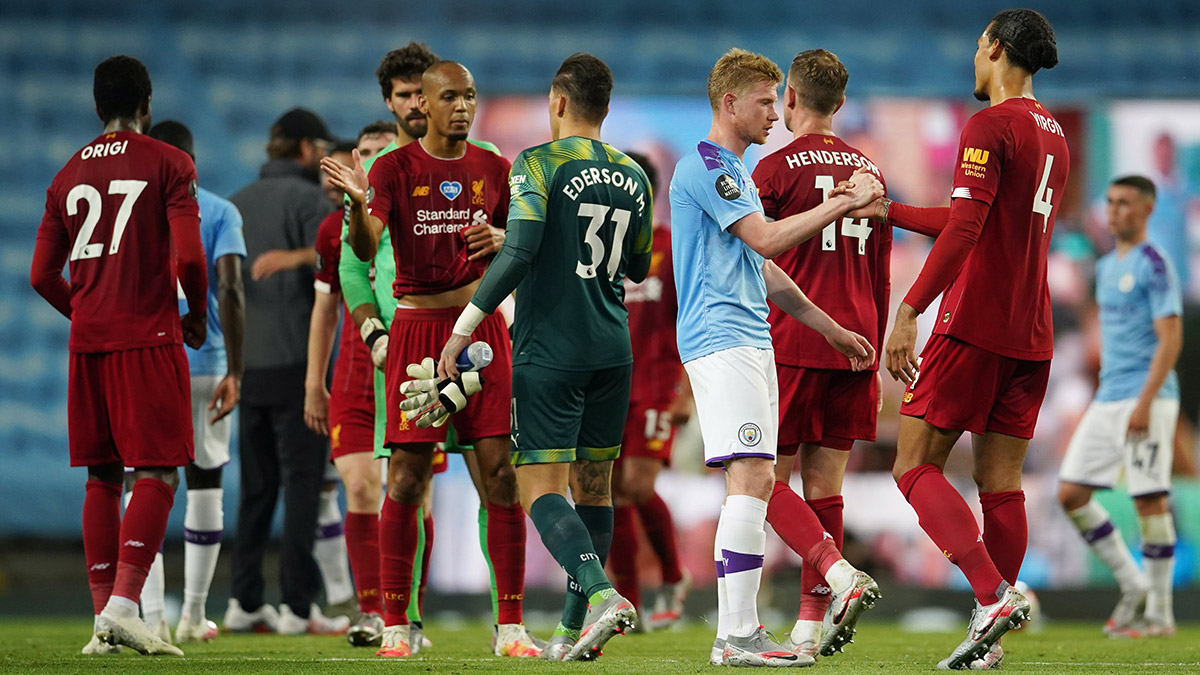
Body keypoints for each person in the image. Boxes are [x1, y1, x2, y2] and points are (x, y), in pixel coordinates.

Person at [668, 47, 882, 668]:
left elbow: (762, 267)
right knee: (753, 479)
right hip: (720, 337)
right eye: (764, 100)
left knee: (756, 483)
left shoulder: (733, 170)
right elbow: (767, 238)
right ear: (729, 101)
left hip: (752, 335)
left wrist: (831, 328)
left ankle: (739, 632)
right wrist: (844, 201)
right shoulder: (707, 164)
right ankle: (745, 628)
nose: (773, 112)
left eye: (775, 99)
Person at [434, 52, 650, 663]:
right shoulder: (633, 173)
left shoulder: (536, 163)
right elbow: (635, 266)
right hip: (613, 347)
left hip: (552, 348)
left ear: (557, 102)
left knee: (538, 488)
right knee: (595, 487)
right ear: (604, 108)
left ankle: (604, 594)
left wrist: (463, 327)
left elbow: (522, 250)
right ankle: (572, 629)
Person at [874, 8, 1065, 669]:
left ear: (997, 50)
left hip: (974, 323)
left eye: (979, 44)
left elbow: (964, 232)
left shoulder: (989, 124)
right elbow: (976, 217)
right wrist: (889, 209)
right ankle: (992, 640)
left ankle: (991, 593)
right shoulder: (1054, 135)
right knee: (1000, 480)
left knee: (912, 464)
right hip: (1031, 332)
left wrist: (910, 309)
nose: (973, 55)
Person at [324, 60, 532, 659]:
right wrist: (357, 206)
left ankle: (511, 629)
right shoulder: (391, 168)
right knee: (408, 478)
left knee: (500, 474)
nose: (462, 106)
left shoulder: (495, 166)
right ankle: (396, 625)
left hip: (481, 330)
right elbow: (363, 252)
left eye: (470, 96)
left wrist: (503, 241)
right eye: (451, 97)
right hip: (416, 331)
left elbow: (519, 246)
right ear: (426, 107)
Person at [751, 49, 942, 659]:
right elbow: (881, 269)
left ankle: (835, 573)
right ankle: (810, 625)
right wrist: (885, 332)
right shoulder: (872, 175)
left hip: (795, 341)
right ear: (839, 103)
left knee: (759, 479)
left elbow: (756, 256)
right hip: (858, 344)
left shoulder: (775, 169)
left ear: (792, 100)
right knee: (825, 486)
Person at [30, 55, 206, 656]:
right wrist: (196, 313)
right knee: (158, 469)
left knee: (101, 477)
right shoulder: (170, 162)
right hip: (148, 337)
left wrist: (85, 312)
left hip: (88, 345)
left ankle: (101, 625)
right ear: (147, 104)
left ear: (97, 105)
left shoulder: (65, 175)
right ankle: (126, 606)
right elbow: (188, 259)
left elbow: (40, 275)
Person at [225, 107, 348, 635]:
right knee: (302, 486)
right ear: (304, 149)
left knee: (256, 489)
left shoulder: (235, 205)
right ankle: (300, 607)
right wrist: (299, 258)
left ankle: (244, 600)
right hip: (300, 368)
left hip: (248, 366)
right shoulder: (310, 200)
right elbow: (336, 263)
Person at [124, 120, 246, 645]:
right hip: (207, 359)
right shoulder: (219, 211)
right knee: (205, 480)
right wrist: (236, 369)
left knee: (141, 482)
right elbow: (232, 287)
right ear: (191, 161)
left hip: (145, 357)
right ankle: (194, 614)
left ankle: (149, 616)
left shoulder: (127, 210)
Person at [1058, 176, 1182, 638]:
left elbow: (1171, 339)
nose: (1114, 211)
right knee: (1071, 494)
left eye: (1125, 203)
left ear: (1147, 210)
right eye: (1109, 202)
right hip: (1108, 396)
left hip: (1147, 397)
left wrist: (1147, 401)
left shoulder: (1155, 263)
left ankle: (1161, 615)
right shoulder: (1106, 267)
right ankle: (1134, 584)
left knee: (1150, 497)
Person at [304, 122, 397, 647]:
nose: (369, 161)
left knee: (410, 496)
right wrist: (314, 382)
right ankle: (371, 612)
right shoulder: (331, 231)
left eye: (381, 152)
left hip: (408, 369)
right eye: (363, 153)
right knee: (359, 487)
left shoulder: (416, 221)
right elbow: (324, 311)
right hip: (355, 371)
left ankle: (410, 613)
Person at [607, 151, 694, 630]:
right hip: (609, 387)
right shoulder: (601, 253)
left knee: (638, 486)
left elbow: (692, 319)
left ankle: (674, 574)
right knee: (612, 492)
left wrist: (688, 391)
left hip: (658, 386)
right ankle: (629, 602)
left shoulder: (670, 247)